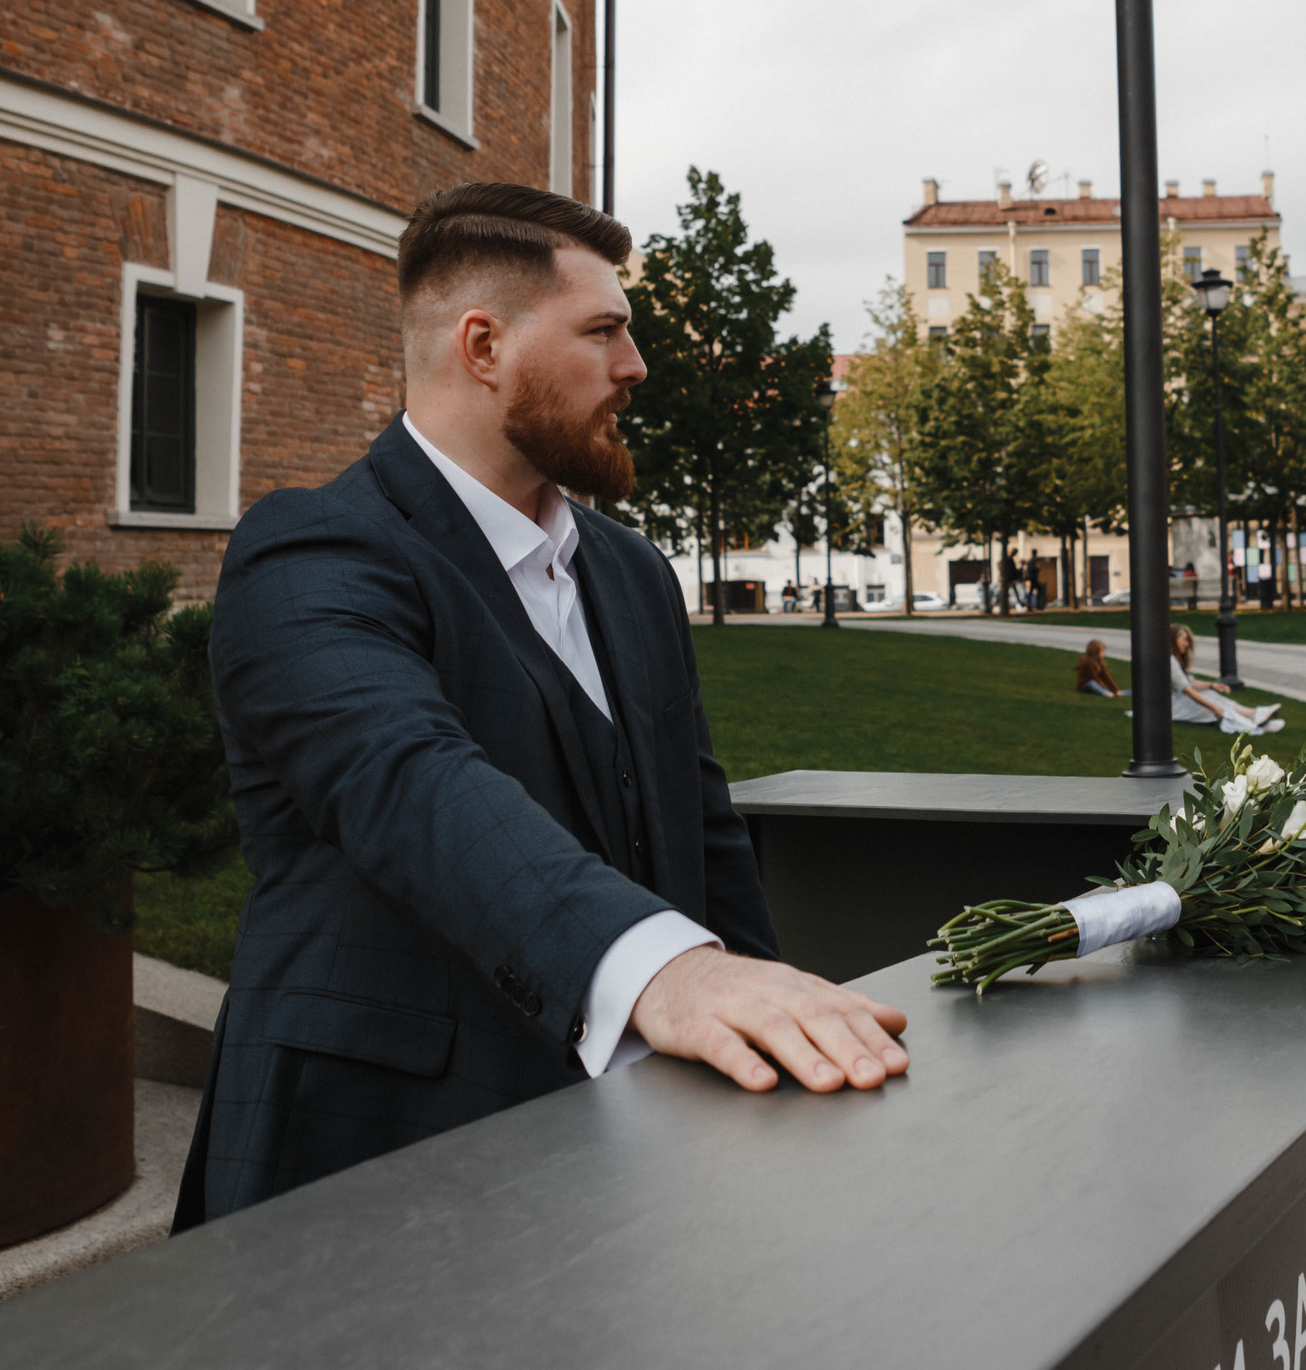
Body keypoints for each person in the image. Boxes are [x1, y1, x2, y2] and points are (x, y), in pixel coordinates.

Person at [178, 184, 909, 1228]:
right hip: (374, 1170)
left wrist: (773, 1021)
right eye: (604, 331)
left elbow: (703, 839)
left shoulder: (633, 573)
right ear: (483, 348)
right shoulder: (311, 553)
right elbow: (411, 784)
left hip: (631, 1164)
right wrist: (671, 978)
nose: (635, 367)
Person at [1167, 624, 1283, 735]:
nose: (1187, 644)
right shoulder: (1171, 660)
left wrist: (1212, 685)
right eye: (1184, 639)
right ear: (1173, 640)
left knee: (1209, 694)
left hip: (1179, 702)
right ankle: (1253, 723)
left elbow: (1189, 682)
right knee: (1213, 704)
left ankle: (1254, 717)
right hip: (1175, 708)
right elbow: (1187, 689)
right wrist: (1214, 708)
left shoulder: (1174, 660)